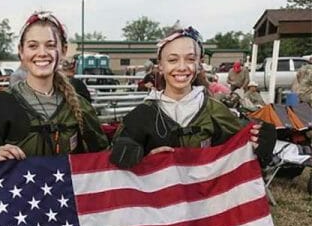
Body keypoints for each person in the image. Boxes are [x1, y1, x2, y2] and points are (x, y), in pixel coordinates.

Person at [110, 26, 275, 169]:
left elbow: (239, 154)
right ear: (160, 66)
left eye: (190, 59)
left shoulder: (215, 111)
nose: (182, 67)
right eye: (172, 60)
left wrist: (259, 144)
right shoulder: (141, 115)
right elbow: (110, 162)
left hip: (204, 201)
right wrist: (143, 157)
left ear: (198, 64)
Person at [0, 10, 108, 167]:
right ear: (21, 51)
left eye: (50, 45)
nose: (42, 53)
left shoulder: (80, 106)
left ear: (63, 50)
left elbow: (102, 161)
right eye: (33, 46)